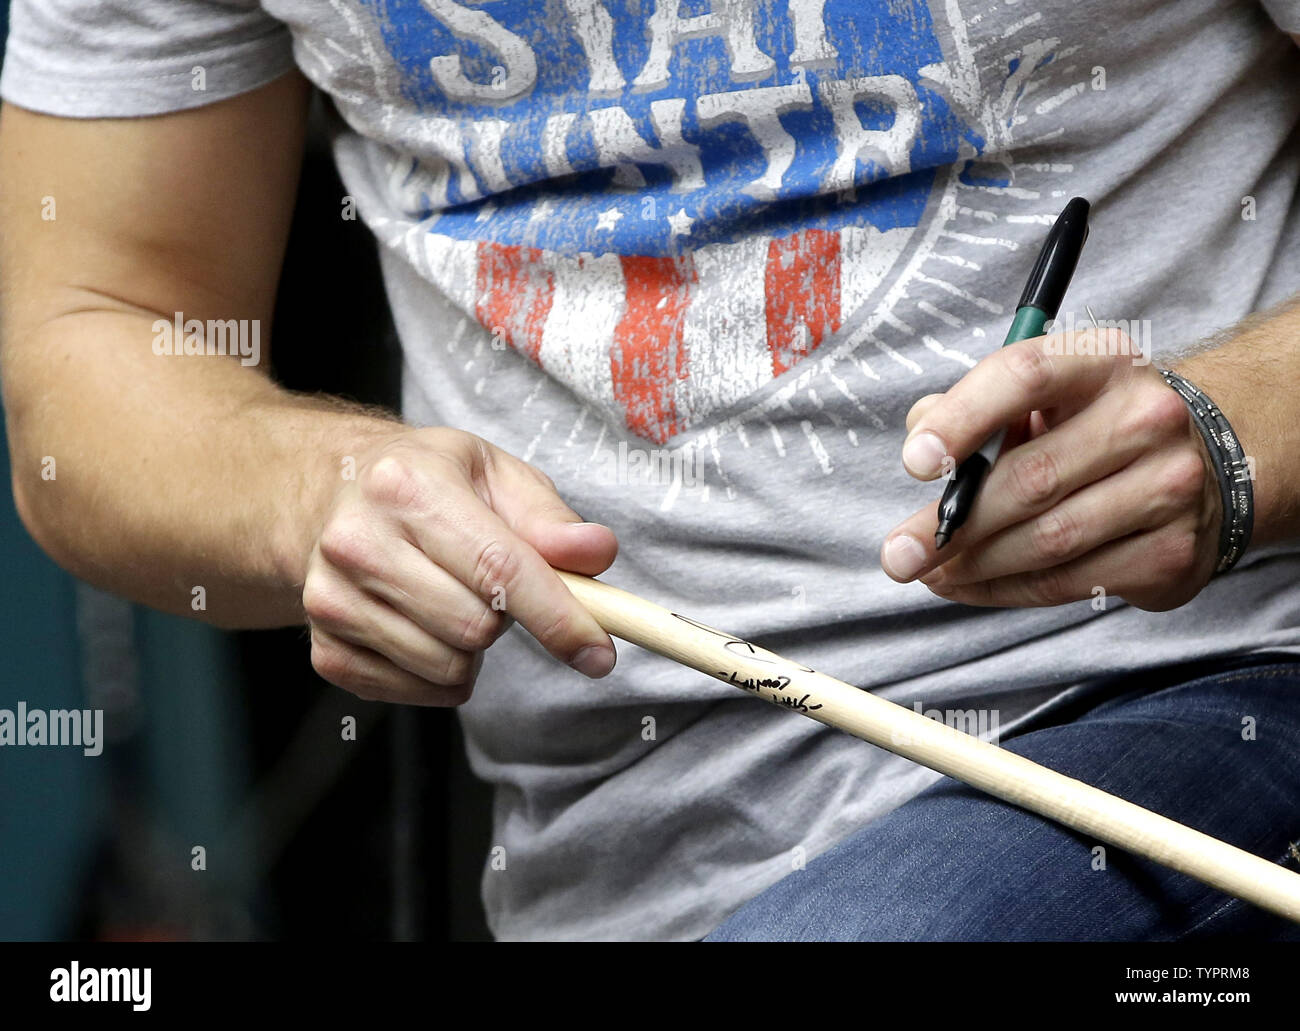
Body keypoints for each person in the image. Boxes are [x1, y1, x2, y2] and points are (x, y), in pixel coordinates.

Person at [3, 0, 1300, 942]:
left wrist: (1237, 432)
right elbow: (96, 333)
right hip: (614, 848)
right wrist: (309, 487)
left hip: (1186, 694)